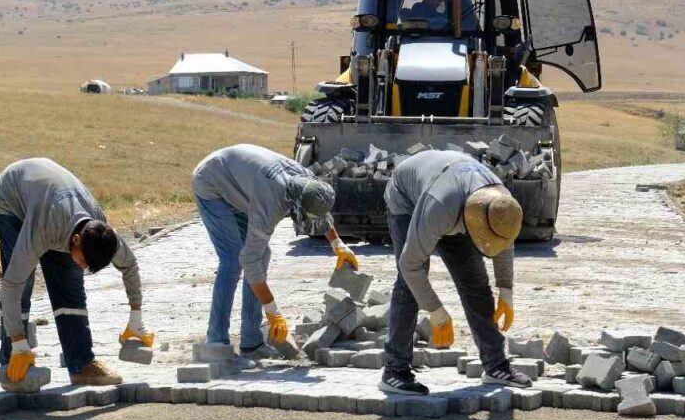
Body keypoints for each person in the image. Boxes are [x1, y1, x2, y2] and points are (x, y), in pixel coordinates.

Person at [379, 150, 531, 395]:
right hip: (407, 198)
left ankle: (495, 366)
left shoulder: (501, 204)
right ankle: (394, 371)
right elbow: (410, 265)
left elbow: (504, 241)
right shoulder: (439, 208)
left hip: (453, 193)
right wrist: (436, 311)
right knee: (410, 283)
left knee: (475, 282)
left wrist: (506, 290)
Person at [0, 158, 151, 391]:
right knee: (23, 284)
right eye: (84, 261)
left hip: (51, 200)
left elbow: (130, 265)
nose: (84, 268)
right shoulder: (43, 228)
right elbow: (11, 285)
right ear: (76, 240)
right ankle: (12, 366)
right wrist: (19, 342)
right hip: (11, 200)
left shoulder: (99, 230)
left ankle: (82, 365)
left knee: (70, 286)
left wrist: (136, 316)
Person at [192, 144, 359, 360]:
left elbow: (319, 210)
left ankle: (251, 342)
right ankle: (216, 341)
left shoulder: (306, 182)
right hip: (212, 182)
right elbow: (249, 259)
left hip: (242, 184)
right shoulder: (270, 205)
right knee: (234, 260)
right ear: (296, 208)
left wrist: (337, 244)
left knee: (262, 255)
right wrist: (273, 312)